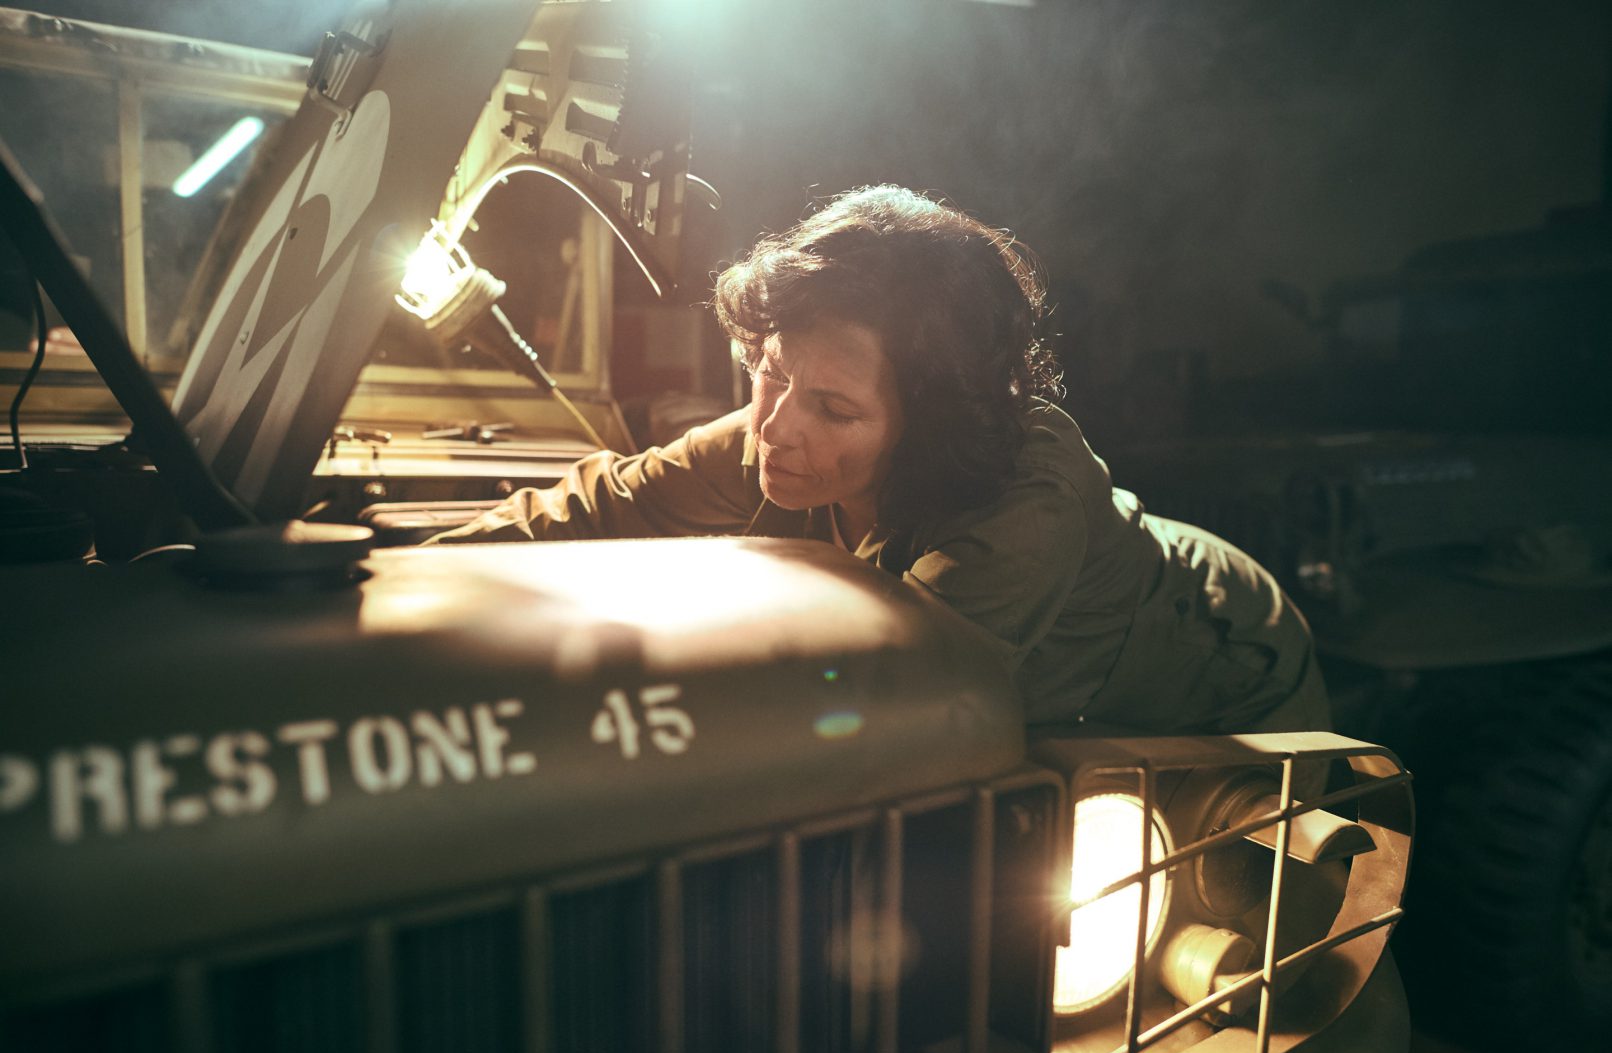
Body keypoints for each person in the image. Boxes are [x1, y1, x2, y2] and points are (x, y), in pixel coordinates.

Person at [427, 185, 1328, 739]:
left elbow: (885, 703)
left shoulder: (1024, 505)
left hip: (1224, 674)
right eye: (770, 375)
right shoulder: (777, 429)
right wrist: (373, 587)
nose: (774, 428)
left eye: (835, 409)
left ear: (929, 423)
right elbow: (596, 509)